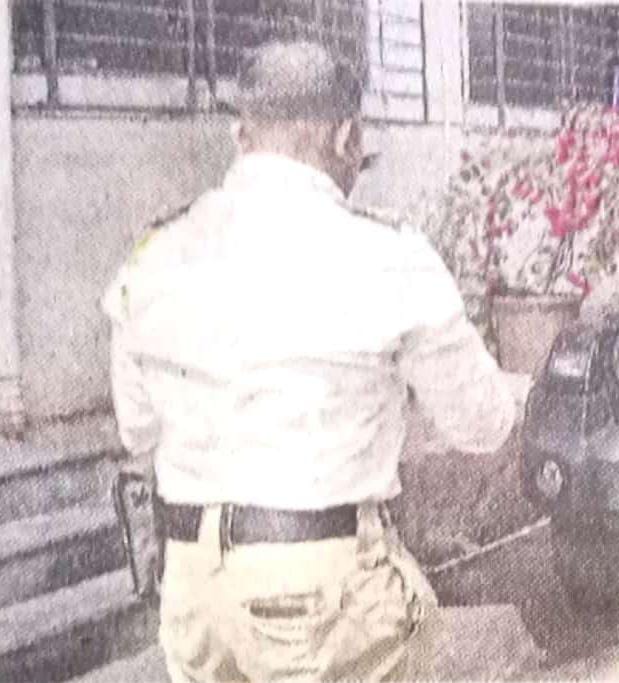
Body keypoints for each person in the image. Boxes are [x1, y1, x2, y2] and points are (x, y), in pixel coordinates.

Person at [102, 40, 527, 682]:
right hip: (319, 589)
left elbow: (136, 429)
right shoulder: (389, 254)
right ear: (346, 136)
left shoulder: (157, 252)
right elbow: (482, 423)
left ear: (241, 136)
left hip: (192, 590)